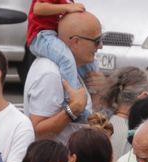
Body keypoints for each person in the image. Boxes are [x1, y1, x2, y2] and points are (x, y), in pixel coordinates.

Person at [25, 11, 101, 144]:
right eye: (96, 41)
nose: (101, 46)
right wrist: (72, 110)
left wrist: (99, 90)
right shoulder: (50, 73)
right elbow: (37, 130)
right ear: (75, 42)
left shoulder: (72, 69)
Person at [26, 0, 91, 96]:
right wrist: (67, 8)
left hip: (58, 36)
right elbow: (38, 8)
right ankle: (71, 100)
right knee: (66, 59)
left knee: (88, 62)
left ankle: (94, 101)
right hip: (42, 35)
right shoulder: (67, 4)